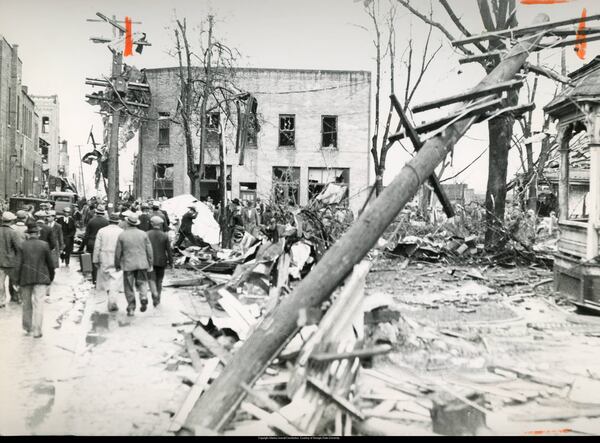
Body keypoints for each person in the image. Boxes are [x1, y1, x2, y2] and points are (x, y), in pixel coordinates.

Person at [17, 224, 55, 338]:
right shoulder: (44, 245)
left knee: (26, 304)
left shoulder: (22, 245)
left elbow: (18, 264)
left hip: (25, 278)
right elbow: (50, 264)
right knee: (39, 304)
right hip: (41, 278)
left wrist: (16, 280)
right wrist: (51, 277)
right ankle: (37, 330)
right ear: (38, 234)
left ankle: (28, 327)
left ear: (28, 234)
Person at [114, 213, 153, 316]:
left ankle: (131, 308)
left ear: (127, 223)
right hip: (142, 263)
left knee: (128, 286)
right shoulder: (143, 234)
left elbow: (118, 252)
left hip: (128, 264)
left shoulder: (122, 235)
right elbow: (149, 250)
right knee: (142, 282)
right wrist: (150, 263)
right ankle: (143, 297)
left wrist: (117, 264)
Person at [93, 213, 123, 312]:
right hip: (117, 258)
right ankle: (112, 301)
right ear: (118, 221)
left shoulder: (101, 231)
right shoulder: (121, 232)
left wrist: (95, 259)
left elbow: (97, 246)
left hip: (104, 257)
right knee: (116, 279)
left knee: (105, 279)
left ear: (109, 220)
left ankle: (110, 296)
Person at [147, 216, 173, 307]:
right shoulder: (164, 235)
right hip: (162, 261)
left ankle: (154, 296)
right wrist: (171, 262)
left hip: (149, 261)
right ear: (160, 224)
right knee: (159, 281)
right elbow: (168, 250)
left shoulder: (147, 234)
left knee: (151, 279)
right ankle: (158, 299)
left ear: (152, 223)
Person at [83, 205, 109, 285]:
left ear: (96, 212)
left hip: (92, 242)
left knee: (92, 261)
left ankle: (94, 279)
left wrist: (84, 245)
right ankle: (102, 279)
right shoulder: (106, 222)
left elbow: (86, 234)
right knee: (102, 260)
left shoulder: (91, 221)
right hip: (102, 243)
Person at [1, 212, 21, 307]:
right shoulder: (13, 232)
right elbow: (18, 247)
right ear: (12, 221)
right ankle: (16, 298)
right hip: (12, 262)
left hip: (0, 262)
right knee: (14, 281)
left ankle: (1, 300)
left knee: (0, 282)